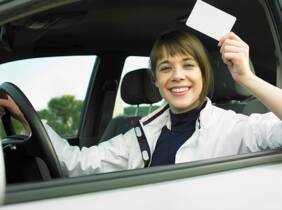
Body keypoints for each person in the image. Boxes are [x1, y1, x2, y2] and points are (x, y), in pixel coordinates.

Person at [1, 30, 282, 177]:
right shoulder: (142, 133)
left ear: (203, 74)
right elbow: (78, 164)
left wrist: (248, 79)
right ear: (156, 82)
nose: (177, 76)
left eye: (188, 65)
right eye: (165, 68)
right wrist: (28, 119)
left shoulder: (235, 128)